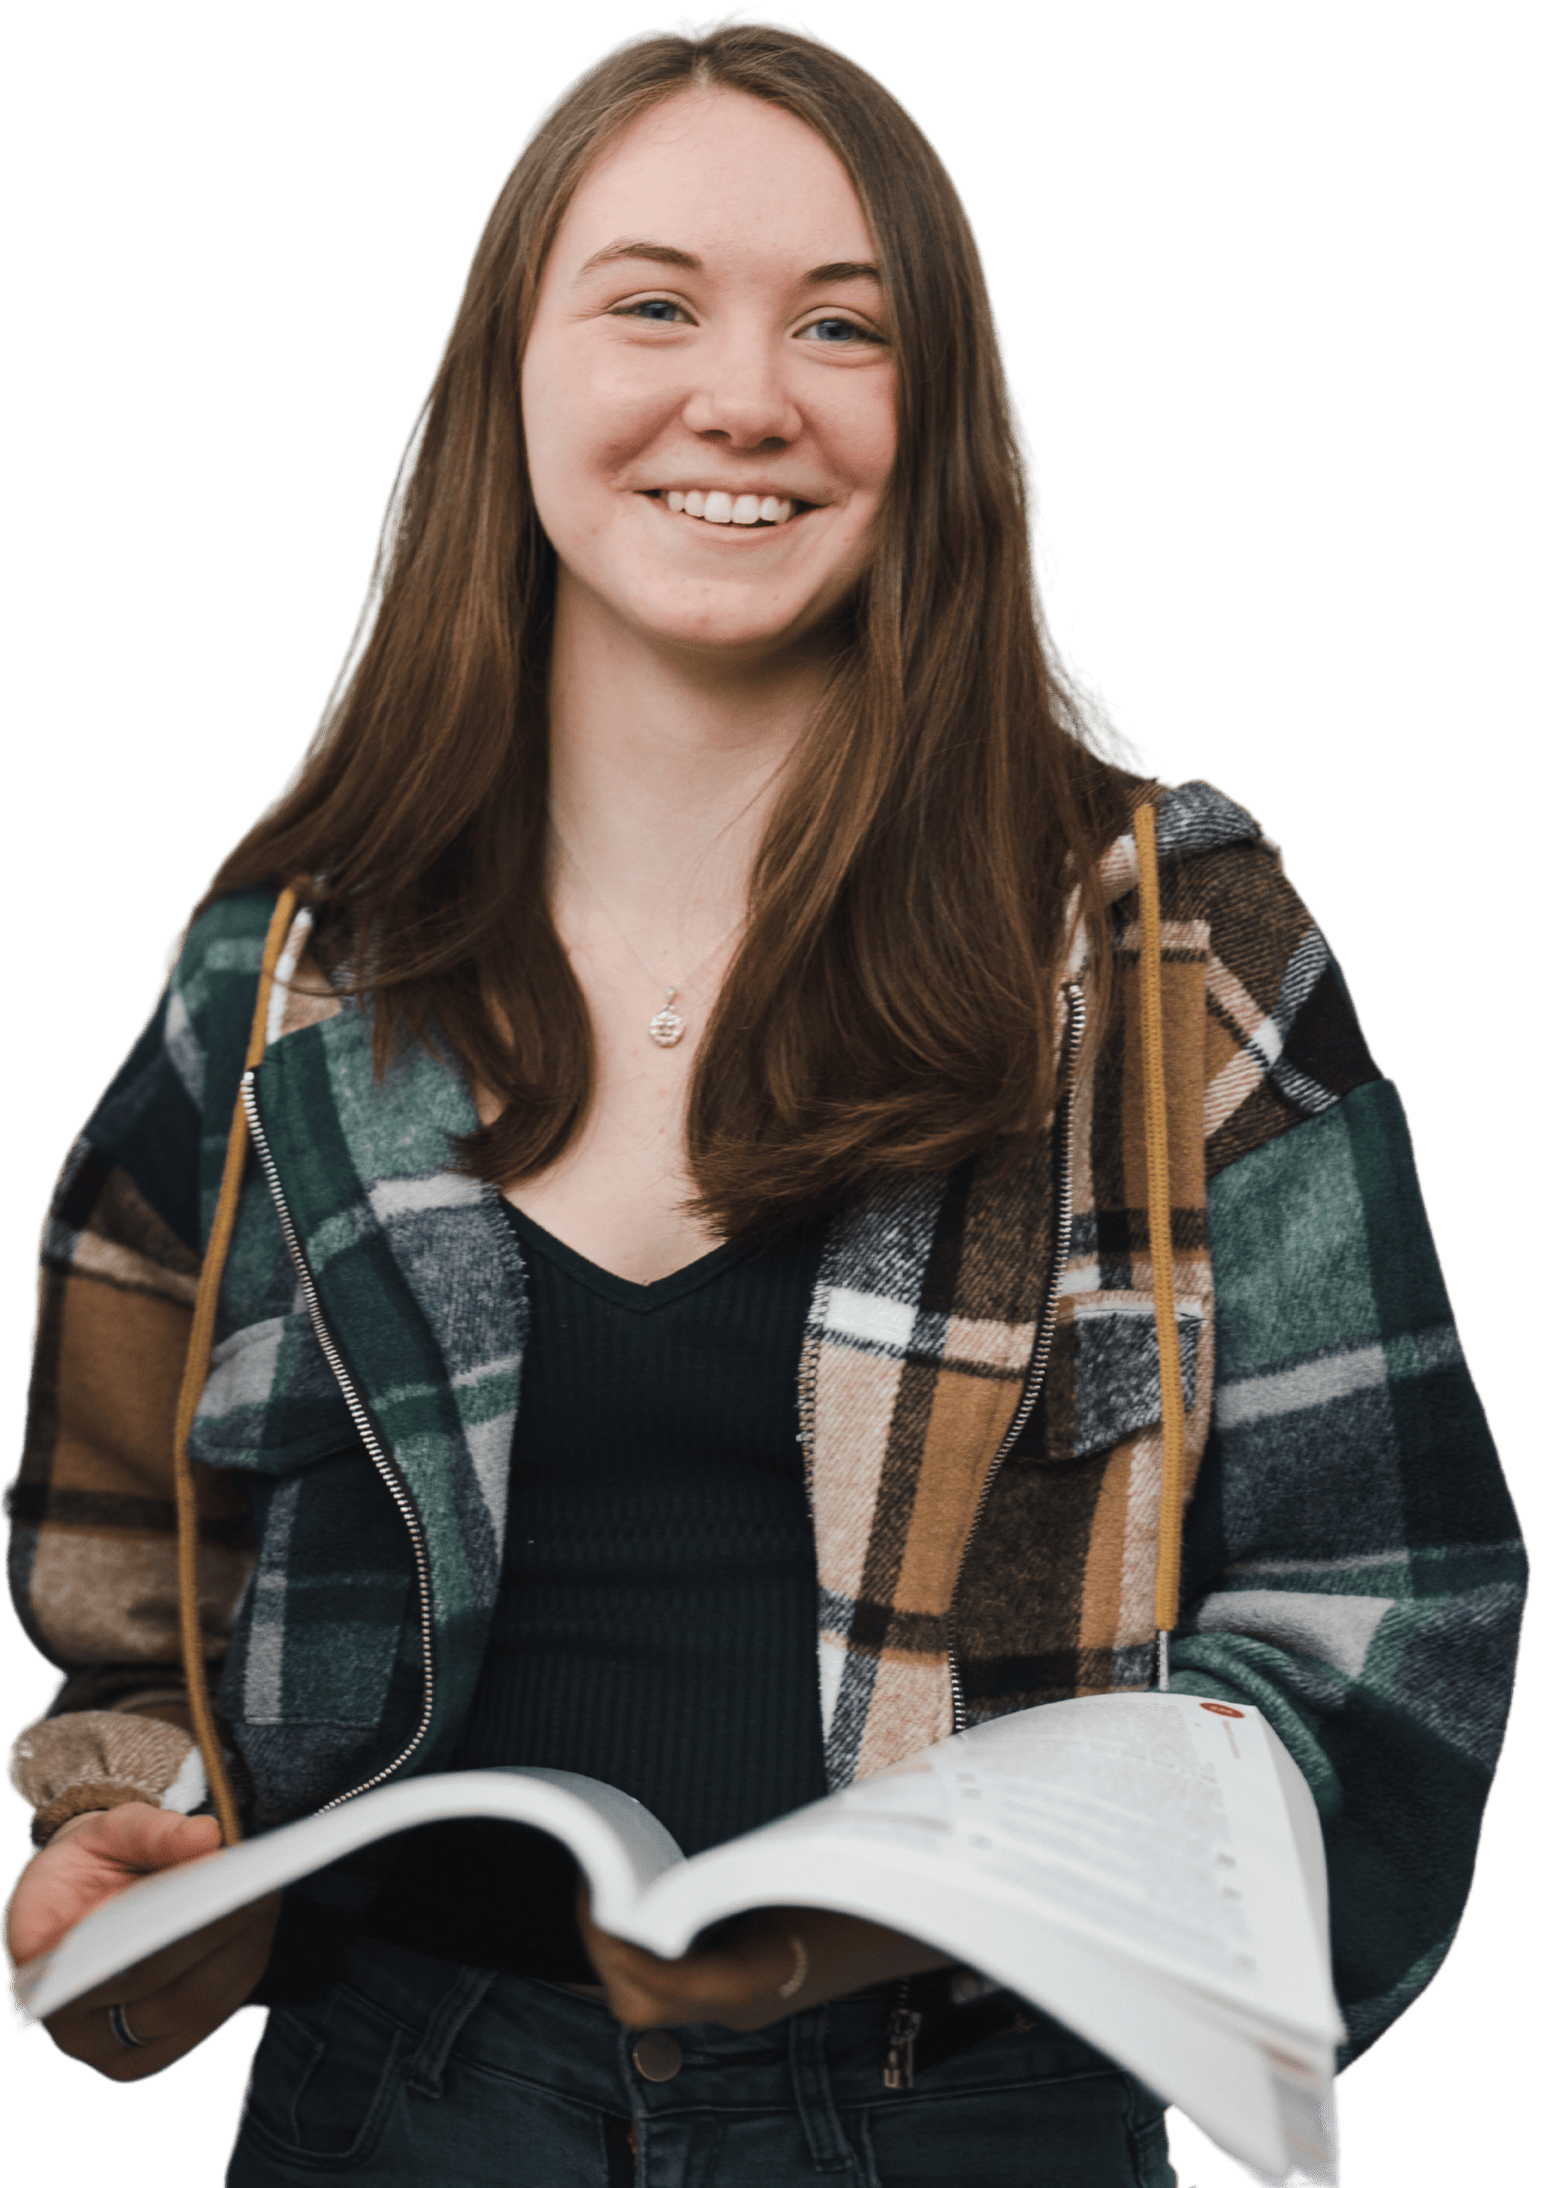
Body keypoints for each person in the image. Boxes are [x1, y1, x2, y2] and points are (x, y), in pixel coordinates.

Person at [1, 15, 1525, 2185]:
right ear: (504, 377)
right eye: (649, 304)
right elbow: (122, 1572)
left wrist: (879, 1915)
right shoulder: (276, 985)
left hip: (969, 2116)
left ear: (941, 421)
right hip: (395, 2103)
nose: (744, 396)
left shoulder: (1173, 945)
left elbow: (1394, 1584)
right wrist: (137, 1835)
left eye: (842, 324)